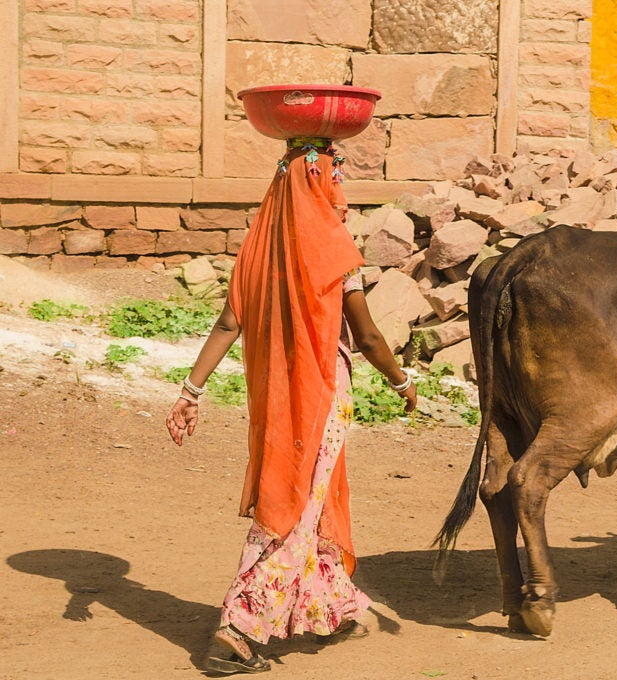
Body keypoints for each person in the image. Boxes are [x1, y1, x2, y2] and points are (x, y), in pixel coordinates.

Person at [165, 139, 416, 674]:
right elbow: (368, 337)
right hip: (321, 398)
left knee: (311, 497)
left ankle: (330, 603)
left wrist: (191, 391)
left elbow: (229, 323)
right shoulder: (334, 251)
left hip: (275, 399)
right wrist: (401, 382)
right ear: (321, 185)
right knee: (296, 503)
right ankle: (238, 627)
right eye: (335, 180)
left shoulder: (258, 247)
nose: (341, 194)